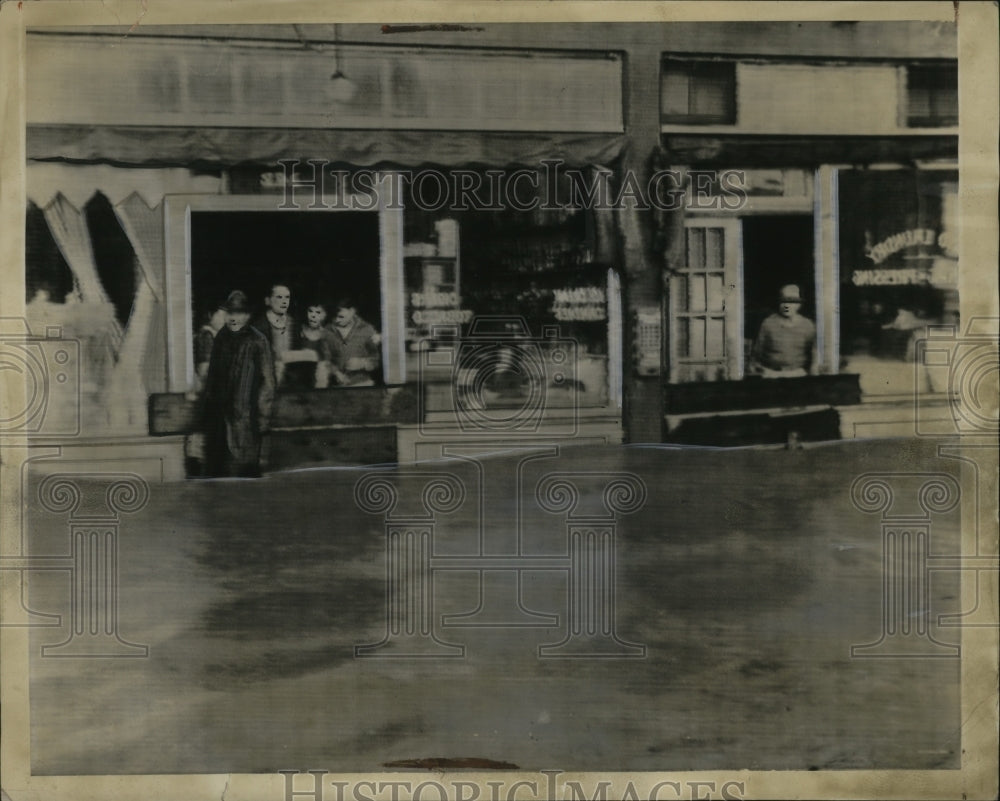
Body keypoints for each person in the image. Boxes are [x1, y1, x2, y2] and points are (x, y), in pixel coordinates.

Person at [202, 290, 276, 478]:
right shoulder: (220, 338)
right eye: (230, 313)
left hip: (247, 420)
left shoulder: (258, 341)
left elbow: (268, 384)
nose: (234, 318)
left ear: (248, 316)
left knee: (244, 474)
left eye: (239, 313)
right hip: (220, 420)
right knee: (219, 476)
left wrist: (262, 419)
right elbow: (212, 377)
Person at [749, 284, 818, 378]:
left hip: (798, 375)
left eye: (792, 302)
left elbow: (814, 358)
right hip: (771, 374)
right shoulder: (768, 324)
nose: (786, 305)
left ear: (799, 304)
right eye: (783, 301)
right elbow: (756, 355)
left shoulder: (808, 325)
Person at [250, 283, 297, 387]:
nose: (284, 301)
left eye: (287, 297)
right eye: (279, 297)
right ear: (268, 301)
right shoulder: (258, 327)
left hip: (292, 380)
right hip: (266, 381)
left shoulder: (294, 324)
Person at [327, 297, 381, 387]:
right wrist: (335, 372)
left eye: (341, 316)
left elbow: (377, 360)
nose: (337, 320)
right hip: (334, 388)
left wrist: (363, 363)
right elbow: (324, 358)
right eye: (335, 316)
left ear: (352, 311)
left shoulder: (367, 329)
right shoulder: (328, 329)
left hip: (362, 385)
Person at [297, 301, 336, 389]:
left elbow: (330, 362)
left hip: (320, 382)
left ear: (325, 315)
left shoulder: (328, 335)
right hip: (299, 381)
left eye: (318, 312)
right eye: (310, 311)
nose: (313, 315)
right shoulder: (300, 331)